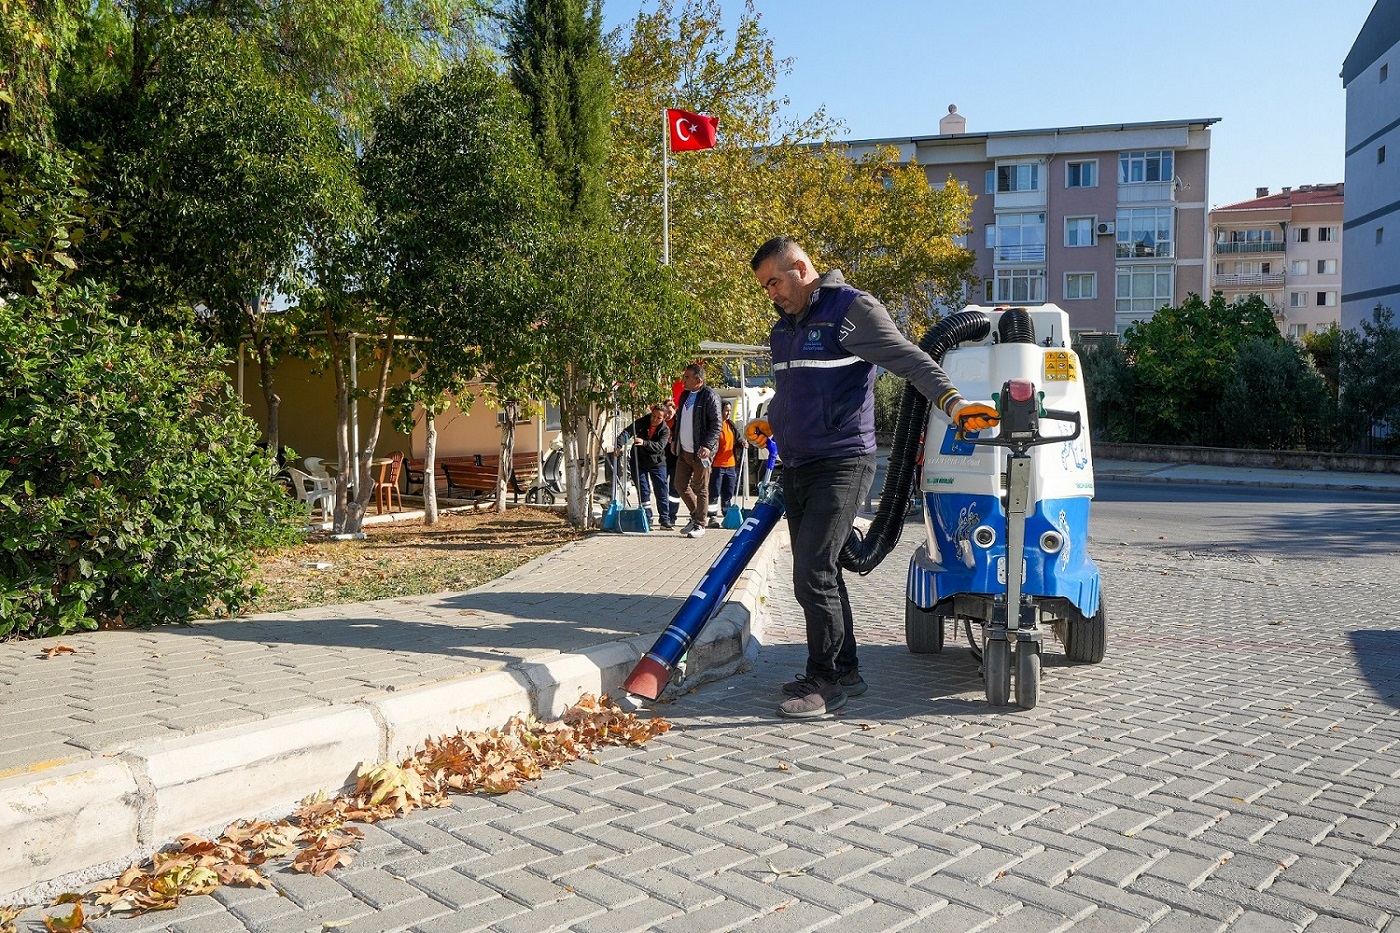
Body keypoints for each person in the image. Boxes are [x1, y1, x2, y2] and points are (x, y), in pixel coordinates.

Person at [749, 236, 999, 719]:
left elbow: (909, 359)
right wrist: (770, 422)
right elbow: (791, 392)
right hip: (797, 465)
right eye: (765, 286)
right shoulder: (785, 329)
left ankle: (825, 683)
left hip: (842, 463)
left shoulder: (852, 310)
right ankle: (846, 670)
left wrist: (954, 402)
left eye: (775, 282)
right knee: (822, 571)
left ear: (800, 268)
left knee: (813, 573)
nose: (771, 293)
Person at [670, 363, 722, 538]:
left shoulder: (709, 396)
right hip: (684, 450)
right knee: (679, 484)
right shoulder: (685, 395)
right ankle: (695, 516)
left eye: (687, 377)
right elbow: (680, 420)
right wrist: (675, 439)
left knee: (701, 488)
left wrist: (707, 446)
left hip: (701, 452)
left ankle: (700, 524)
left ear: (698, 380)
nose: (683, 380)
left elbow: (716, 424)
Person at [628, 403, 672, 528]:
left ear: (663, 418)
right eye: (653, 416)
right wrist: (618, 445)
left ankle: (664, 519)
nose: (655, 419)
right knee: (643, 490)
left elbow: (659, 446)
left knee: (661, 490)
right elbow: (628, 432)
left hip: (657, 463)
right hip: (639, 461)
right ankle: (647, 518)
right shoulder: (643, 422)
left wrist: (644, 443)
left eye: (659, 418)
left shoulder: (665, 430)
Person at [706, 400, 746, 526]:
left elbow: (738, 439)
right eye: (726, 410)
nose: (728, 413)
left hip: (730, 465)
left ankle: (727, 515)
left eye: (729, 410)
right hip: (717, 465)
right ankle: (712, 517)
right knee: (714, 492)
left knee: (728, 492)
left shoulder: (731, 425)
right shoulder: (715, 426)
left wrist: (742, 443)